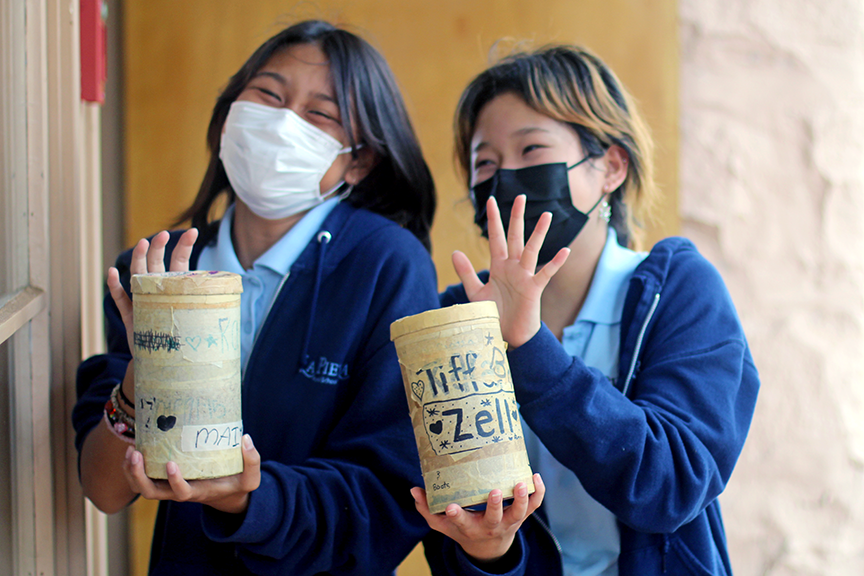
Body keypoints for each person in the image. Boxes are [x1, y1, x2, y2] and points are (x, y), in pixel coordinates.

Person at [73, 20, 439, 576]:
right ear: (229, 116)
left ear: (357, 161)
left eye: (320, 113)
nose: (283, 123)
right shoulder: (153, 272)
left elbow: (386, 497)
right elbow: (103, 488)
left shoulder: (386, 264)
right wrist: (143, 375)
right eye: (268, 95)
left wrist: (247, 498)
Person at [413, 45, 760, 575]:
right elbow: (448, 520)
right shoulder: (458, 314)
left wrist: (529, 351)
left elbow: (671, 484)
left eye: (532, 150)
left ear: (611, 168)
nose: (506, 178)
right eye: (486, 162)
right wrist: (488, 549)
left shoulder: (679, 291)